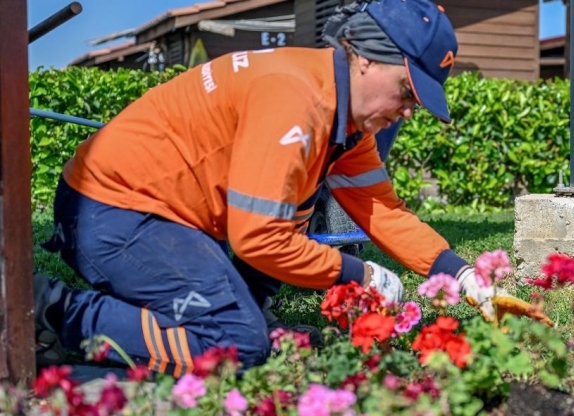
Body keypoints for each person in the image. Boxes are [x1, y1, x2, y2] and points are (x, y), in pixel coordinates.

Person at [35, 0, 509, 376]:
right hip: (108, 212)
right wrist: (358, 274)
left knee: (295, 212)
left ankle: (240, 306)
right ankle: (50, 311)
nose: (408, 111)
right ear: (364, 56)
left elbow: (381, 211)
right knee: (237, 344)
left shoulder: (342, 120)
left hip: (161, 214)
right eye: (408, 91)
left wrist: (463, 275)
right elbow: (258, 238)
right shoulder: (296, 99)